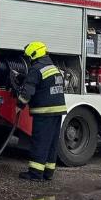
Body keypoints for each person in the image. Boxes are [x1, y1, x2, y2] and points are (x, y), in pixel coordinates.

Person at [16, 41, 67, 181]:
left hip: (44, 112)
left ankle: (35, 174)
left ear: (34, 54)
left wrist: (19, 104)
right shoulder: (53, 68)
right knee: (51, 143)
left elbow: (28, 91)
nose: (28, 60)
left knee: (40, 142)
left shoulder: (36, 69)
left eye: (29, 57)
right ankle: (48, 173)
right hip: (57, 112)